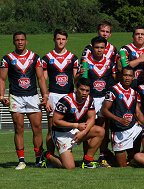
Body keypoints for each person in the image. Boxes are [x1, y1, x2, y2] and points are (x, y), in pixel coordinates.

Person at [0, 31, 49, 170]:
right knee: (19, 128)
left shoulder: (35, 57)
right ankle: (21, 161)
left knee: (37, 128)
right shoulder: (7, 58)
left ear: (26, 41)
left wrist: (45, 95)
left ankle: (39, 159)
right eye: (17, 40)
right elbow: (2, 79)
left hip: (33, 96)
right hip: (16, 97)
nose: (20, 42)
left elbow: (40, 78)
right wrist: (1, 96)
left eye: (22, 39)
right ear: (14, 42)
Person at [41, 29, 79, 166]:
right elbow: (43, 80)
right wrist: (45, 97)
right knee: (52, 128)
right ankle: (49, 156)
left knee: (68, 128)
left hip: (69, 96)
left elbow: (76, 79)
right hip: (53, 95)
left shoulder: (73, 58)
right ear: (54, 39)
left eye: (63, 39)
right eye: (58, 39)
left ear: (66, 40)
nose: (61, 41)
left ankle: (66, 154)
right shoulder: (47, 58)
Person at [50, 78, 105, 169]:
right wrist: (76, 125)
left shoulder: (89, 100)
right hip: (61, 133)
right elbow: (55, 121)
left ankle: (87, 161)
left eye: (87, 90)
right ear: (76, 89)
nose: (84, 93)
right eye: (82, 89)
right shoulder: (65, 101)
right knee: (69, 167)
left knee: (100, 131)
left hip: (76, 130)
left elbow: (91, 118)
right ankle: (47, 155)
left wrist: (83, 132)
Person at [80, 36, 117, 167]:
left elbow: (114, 81)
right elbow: (78, 82)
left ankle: (102, 156)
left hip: (103, 99)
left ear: (105, 49)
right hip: (90, 99)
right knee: (88, 127)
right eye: (97, 47)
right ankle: (86, 157)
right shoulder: (85, 62)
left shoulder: (109, 63)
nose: (99, 50)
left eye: (102, 47)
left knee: (103, 128)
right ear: (92, 47)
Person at [101, 66, 144, 167]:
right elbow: (104, 110)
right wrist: (119, 119)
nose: (127, 78)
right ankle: (110, 158)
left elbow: (138, 112)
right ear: (121, 76)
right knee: (122, 166)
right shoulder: (113, 90)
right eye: (125, 75)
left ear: (133, 77)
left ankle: (137, 157)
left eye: (130, 76)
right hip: (118, 130)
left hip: (132, 128)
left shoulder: (134, 92)